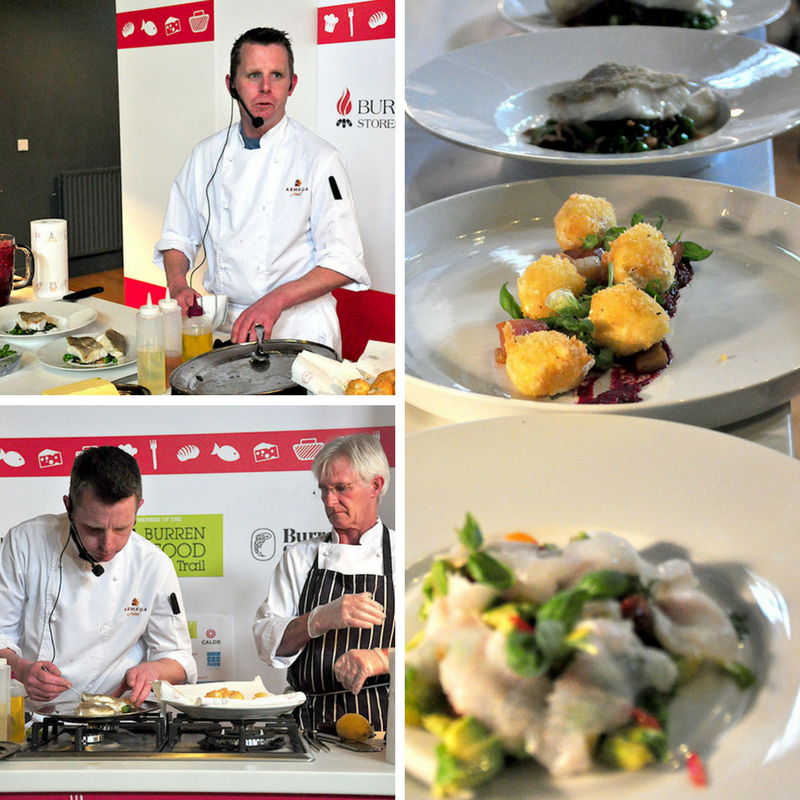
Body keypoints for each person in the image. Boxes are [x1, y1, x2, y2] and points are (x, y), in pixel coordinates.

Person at [154, 27, 370, 352]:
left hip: (299, 328)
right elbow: (177, 236)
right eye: (254, 75)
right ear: (231, 85)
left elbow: (343, 260)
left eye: (277, 76)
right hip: (226, 327)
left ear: (292, 85)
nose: (266, 88)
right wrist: (177, 284)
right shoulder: (205, 155)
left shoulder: (321, 159)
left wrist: (276, 299)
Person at [0, 446, 197, 708]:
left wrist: (155, 670)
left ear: (138, 509)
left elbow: (179, 658)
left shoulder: (152, 565)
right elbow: (1, 636)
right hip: (32, 715)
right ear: (69, 506)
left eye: (121, 528)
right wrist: (21, 669)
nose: (107, 544)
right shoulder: (25, 542)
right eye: (93, 529)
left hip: (117, 714)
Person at [253, 434, 395, 731]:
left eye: (341, 488)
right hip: (309, 724)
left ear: (375, 485)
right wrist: (317, 619)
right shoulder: (299, 557)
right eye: (324, 490)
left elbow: (437, 647)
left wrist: (381, 658)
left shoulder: (403, 552)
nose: (330, 501)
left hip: (387, 725)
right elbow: (267, 642)